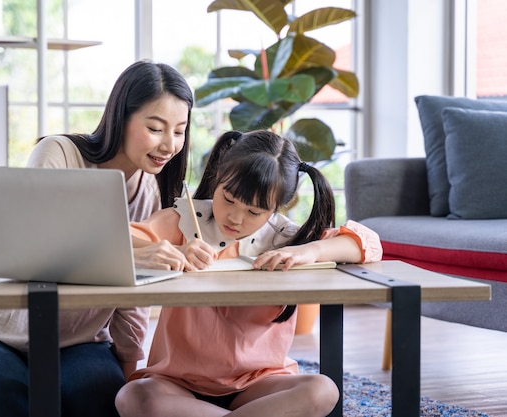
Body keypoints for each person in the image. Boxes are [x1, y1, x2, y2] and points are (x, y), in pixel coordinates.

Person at [0, 60, 195, 417]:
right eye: (155, 128)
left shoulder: (149, 193)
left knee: (99, 403)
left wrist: (127, 377)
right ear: (119, 118)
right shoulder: (59, 152)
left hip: (80, 343)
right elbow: (34, 238)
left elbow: (133, 301)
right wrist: (132, 253)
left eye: (179, 130)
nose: (168, 144)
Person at [115, 129, 383, 417]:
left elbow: (369, 244)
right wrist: (175, 251)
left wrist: (309, 252)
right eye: (228, 199)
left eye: (254, 212)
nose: (235, 218)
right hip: (177, 384)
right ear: (218, 178)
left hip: (259, 385)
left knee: (323, 390)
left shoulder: (285, 239)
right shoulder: (181, 223)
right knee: (135, 396)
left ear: (278, 207)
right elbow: (113, 237)